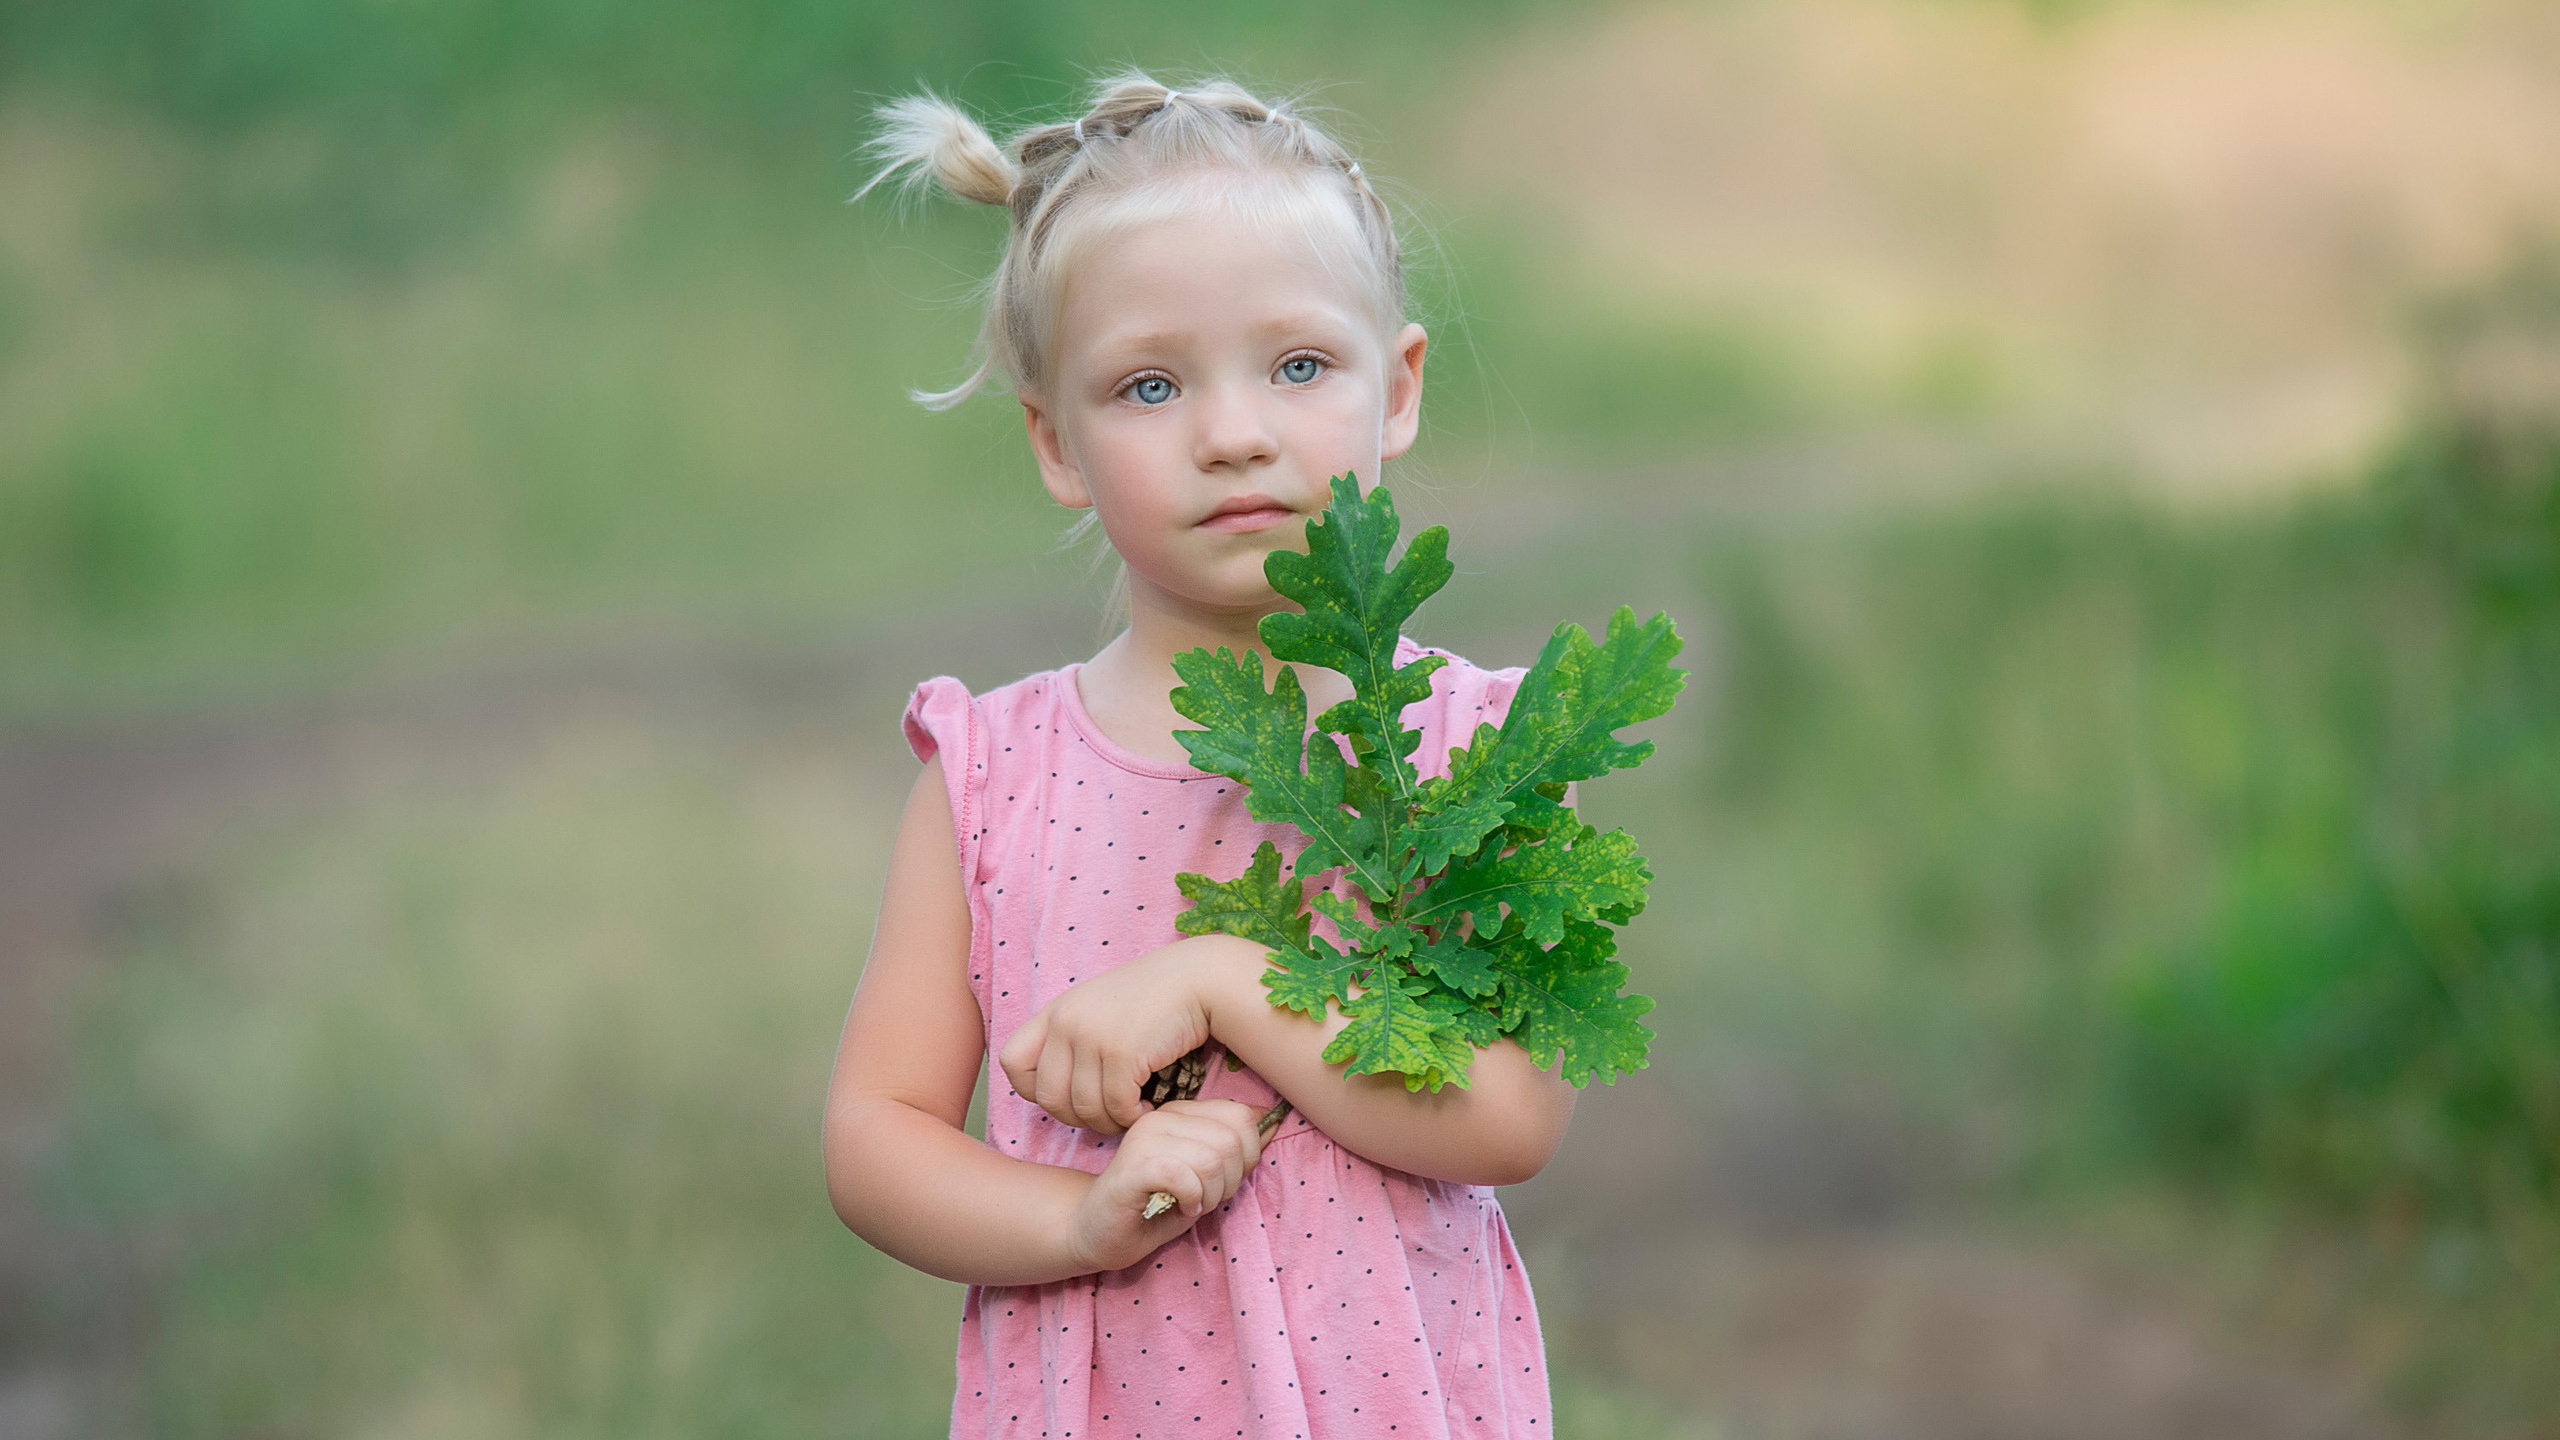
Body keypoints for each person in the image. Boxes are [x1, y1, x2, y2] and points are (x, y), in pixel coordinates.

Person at [823, 72, 1575, 1439]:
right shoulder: (994, 774)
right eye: (1149, 385)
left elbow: (1506, 1117)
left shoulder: (1478, 754)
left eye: (1298, 366)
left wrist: (1225, 983)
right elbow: (877, 1138)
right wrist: (1079, 1217)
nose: (1232, 434)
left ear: (1395, 389)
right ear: (1057, 442)